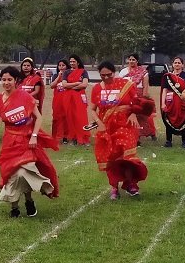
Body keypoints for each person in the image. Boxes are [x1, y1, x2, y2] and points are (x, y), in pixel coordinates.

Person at [0, 66, 59, 217]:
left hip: (26, 141)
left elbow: (38, 117)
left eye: (9, 79)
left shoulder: (25, 97)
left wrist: (34, 136)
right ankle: (14, 207)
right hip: (9, 142)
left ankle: (29, 199)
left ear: (15, 80)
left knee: (25, 171)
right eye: (4, 79)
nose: (6, 82)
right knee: (11, 174)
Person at [89, 61, 152, 199]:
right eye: (102, 75)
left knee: (128, 156)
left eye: (109, 75)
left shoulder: (126, 84)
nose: (106, 78)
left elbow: (136, 103)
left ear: (115, 72)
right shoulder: (97, 88)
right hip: (106, 127)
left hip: (125, 125)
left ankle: (130, 184)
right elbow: (93, 109)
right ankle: (114, 188)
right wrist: (99, 123)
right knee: (111, 157)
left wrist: (134, 113)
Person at [118, 53, 157, 142]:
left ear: (137, 61)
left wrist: (144, 98)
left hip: (139, 96)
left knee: (142, 117)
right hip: (126, 96)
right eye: (130, 59)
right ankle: (132, 136)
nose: (131, 61)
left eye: (133, 60)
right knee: (128, 115)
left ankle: (148, 134)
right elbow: (119, 85)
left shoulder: (143, 72)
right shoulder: (123, 72)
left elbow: (145, 87)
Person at [61, 54, 91, 145]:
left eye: (74, 61)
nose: (72, 63)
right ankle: (74, 138)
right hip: (68, 98)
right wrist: (77, 83)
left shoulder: (83, 72)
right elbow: (64, 85)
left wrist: (71, 86)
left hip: (79, 96)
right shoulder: (66, 72)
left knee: (81, 116)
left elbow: (84, 84)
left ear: (78, 62)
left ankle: (84, 137)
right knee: (70, 116)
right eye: (70, 62)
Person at [161, 56, 185, 147]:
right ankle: (168, 141)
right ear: (172, 65)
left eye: (179, 63)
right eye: (175, 63)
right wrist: (162, 103)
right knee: (168, 119)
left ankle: (184, 141)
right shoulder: (167, 76)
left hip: (183, 102)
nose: (177, 64)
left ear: (182, 65)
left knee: (184, 119)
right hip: (170, 102)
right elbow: (164, 90)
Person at [49, 59, 71, 143]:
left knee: (66, 118)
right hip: (57, 100)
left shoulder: (70, 76)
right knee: (56, 118)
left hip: (67, 100)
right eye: (60, 65)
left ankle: (65, 136)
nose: (61, 67)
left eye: (63, 65)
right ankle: (54, 136)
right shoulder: (55, 76)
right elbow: (52, 86)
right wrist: (59, 77)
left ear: (67, 66)